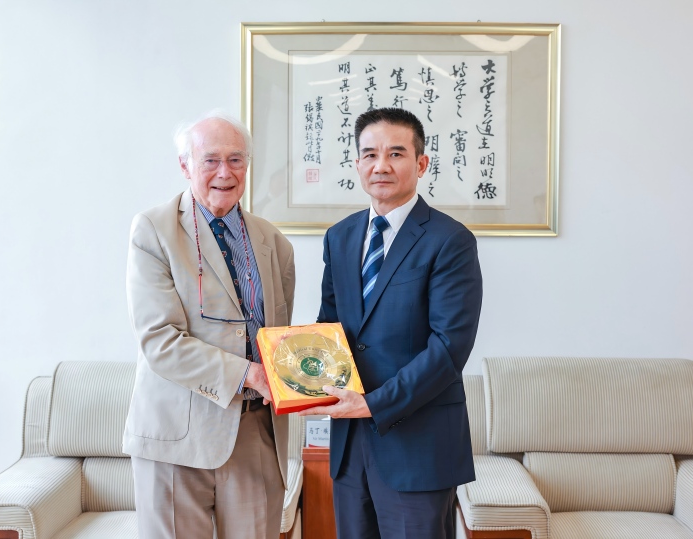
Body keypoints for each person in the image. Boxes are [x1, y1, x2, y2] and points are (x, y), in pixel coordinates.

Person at [300, 107, 483, 539]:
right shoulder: (340, 236)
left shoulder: (450, 240)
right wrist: (295, 376)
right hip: (349, 446)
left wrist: (373, 404)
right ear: (357, 164)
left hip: (419, 446)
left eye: (396, 154)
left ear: (421, 163)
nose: (381, 165)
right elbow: (330, 327)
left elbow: (449, 348)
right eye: (370, 154)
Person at [122, 110, 295, 539]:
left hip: (255, 431)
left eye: (236, 160)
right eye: (211, 160)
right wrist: (249, 374)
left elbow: (277, 339)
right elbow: (160, 340)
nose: (224, 172)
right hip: (176, 432)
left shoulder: (274, 242)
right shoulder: (153, 230)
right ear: (185, 166)